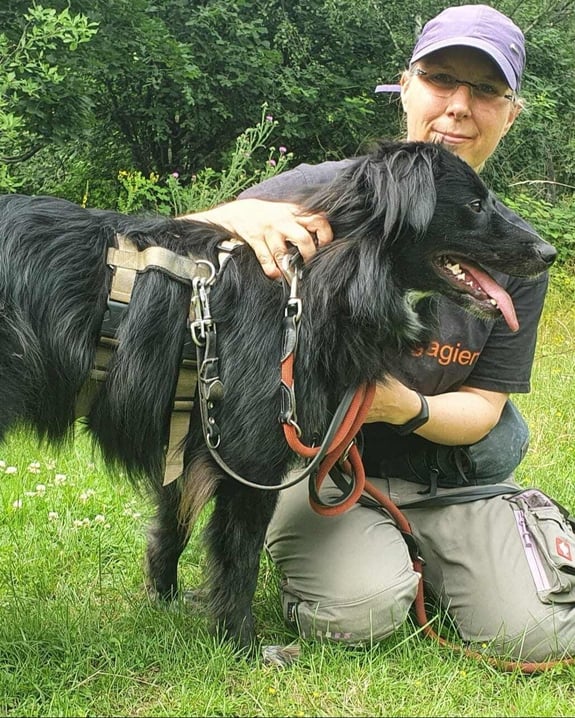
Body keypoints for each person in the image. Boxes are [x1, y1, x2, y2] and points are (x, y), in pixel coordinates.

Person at [189, 5, 575, 663]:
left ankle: (495, 541)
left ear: (509, 114)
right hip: (323, 475)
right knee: (354, 615)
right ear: (405, 86)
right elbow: (169, 246)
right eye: (439, 80)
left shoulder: (512, 250)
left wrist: (399, 404)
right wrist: (229, 212)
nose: (457, 106)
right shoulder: (321, 190)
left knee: (534, 636)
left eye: (485, 91)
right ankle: (370, 560)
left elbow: (482, 411)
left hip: (455, 480)